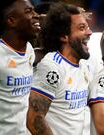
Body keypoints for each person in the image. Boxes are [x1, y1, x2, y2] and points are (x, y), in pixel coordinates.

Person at [27, 2, 93, 135]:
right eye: (81, 28)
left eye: (87, 27)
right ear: (64, 36)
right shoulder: (52, 67)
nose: (89, 32)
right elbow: (34, 119)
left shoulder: (84, 65)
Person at [0, 0, 41, 134]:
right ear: (11, 21)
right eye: (28, 11)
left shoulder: (29, 50)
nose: (36, 15)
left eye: (34, 10)